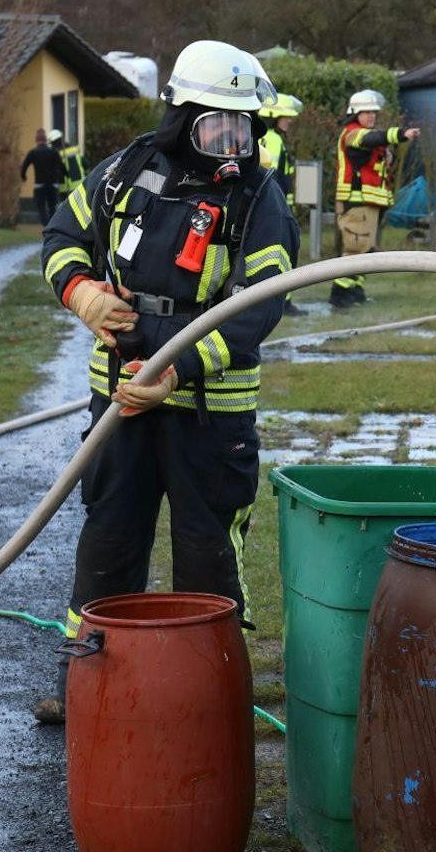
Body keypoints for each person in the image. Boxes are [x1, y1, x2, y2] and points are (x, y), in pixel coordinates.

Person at [32, 39, 293, 723]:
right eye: (217, 127)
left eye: (243, 127)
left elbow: (259, 304)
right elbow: (61, 237)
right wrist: (83, 293)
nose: (232, 144)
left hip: (210, 412)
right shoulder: (125, 173)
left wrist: (177, 367)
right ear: (182, 119)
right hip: (121, 402)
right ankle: (86, 688)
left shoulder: (259, 197)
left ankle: (207, 699)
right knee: (109, 542)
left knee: (208, 555)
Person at [330, 88, 419, 308]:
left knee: (366, 250)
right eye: (366, 112)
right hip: (357, 202)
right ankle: (341, 294)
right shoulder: (353, 133)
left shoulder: (368, 137)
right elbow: (372, 137)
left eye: (374, 112)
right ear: (355, 113)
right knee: (355, 248)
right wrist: (400, 134)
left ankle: (355, 291)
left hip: (370, 203)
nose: (371, 115)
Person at [257, 91, 306, 314]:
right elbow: (273, 177)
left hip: (266, 208)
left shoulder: (262, 137)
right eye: (284, 116)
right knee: (284, 254)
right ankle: (283, 302)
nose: (289, 120)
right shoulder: (274, 140)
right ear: (271, 115)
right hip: (277, 208)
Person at [21, 127, 68, 226]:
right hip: (53, 185)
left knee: (41, 208)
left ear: (36, 140)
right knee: (52, 207)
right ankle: (52, 226)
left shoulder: (33, 153)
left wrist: (23, 176)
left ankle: (46, 226)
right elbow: (62, 166)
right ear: (46, 140)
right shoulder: (54, 152)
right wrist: (65, 175)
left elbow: (24, 166)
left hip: (39, 185)